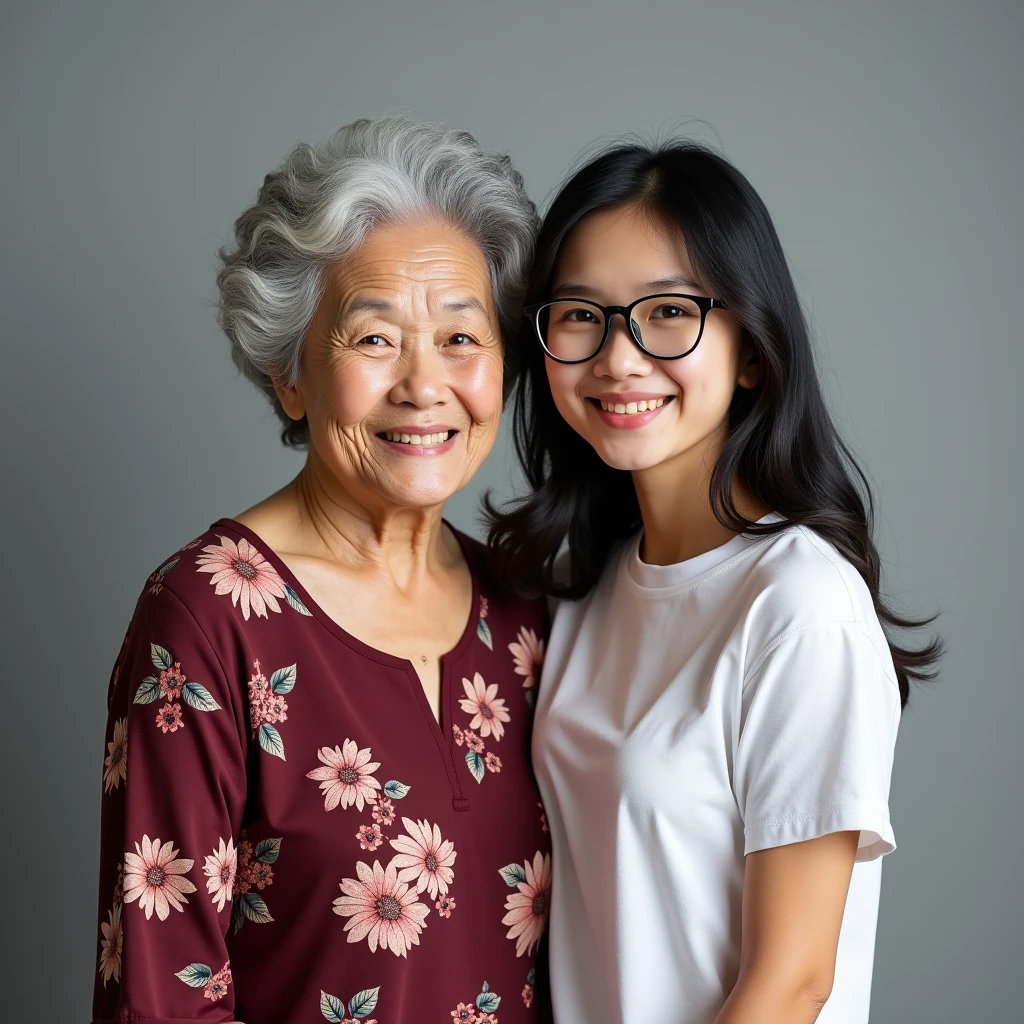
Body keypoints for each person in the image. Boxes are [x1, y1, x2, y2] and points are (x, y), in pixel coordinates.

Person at [92, 116, 552, 1024]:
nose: (425, 386)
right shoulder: (206, 619)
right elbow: (161, 997)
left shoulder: (528, 610)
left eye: (462, 338)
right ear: (288, 374)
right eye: (375, 340)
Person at [489, 141, 941, 1023]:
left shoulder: (799, 605)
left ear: (752, 352)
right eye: (581, 315)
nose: (619, 359)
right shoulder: (588, 592)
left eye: (667, 312)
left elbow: (792, 982)